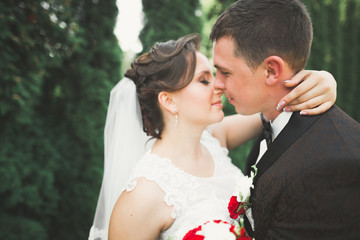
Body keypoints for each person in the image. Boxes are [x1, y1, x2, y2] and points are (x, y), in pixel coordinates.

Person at [88, 33, 337, 240]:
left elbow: (276, 106)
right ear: (168, 101)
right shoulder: (142, 197)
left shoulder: (215, 138)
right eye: (204, 80)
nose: (219, 85)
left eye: (216, 75)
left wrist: (324, 80)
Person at [210, 0, 360, 239]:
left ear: (271, 70)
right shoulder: (271, 118)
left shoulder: (335, 162)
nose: (216, 84)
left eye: (225, 72)